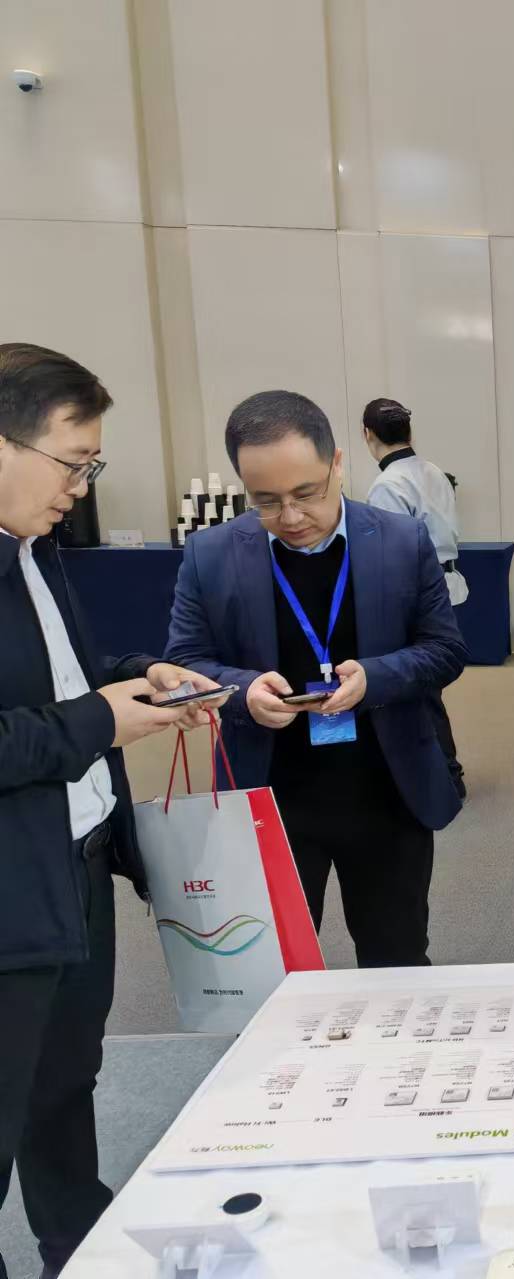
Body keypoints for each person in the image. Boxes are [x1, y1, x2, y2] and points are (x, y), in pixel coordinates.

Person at [0, 343, 227, 1279]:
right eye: (71, 462)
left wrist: (138, 677)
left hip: (76, 862)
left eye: (90, 467)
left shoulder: (34, 551)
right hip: (12, 890)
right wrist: (99, 719)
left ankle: (77, 1249)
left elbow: (54, 681)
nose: (78, 489)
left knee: (64, 1083)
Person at [165, 390, 467, 967]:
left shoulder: (401, 541)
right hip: (271, 796)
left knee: (396, 957)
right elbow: (185, 660)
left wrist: (376, 677)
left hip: (386, 789)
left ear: (337, 464)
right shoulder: (211, 554)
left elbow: (445, 650)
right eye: (266, 501)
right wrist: (242, 691)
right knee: (273, 965)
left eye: (307, 494)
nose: (291, 517)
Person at [361, 396, 467, 799]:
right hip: (446, 583)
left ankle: (446, 775)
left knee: (420, 688)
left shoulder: (388, 484)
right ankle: (442, 772)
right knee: (427, 686)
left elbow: (389, 553)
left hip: (414, 591)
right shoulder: (433, 471)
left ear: (367, 434)